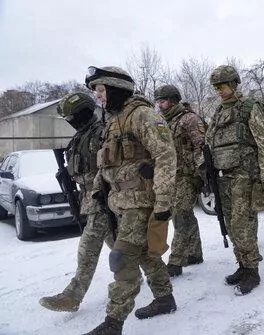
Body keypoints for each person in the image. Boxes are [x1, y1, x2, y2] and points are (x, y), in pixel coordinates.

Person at [83, 66, 177, 335]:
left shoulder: (142, 115)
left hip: (140, 201)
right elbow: (107, 163)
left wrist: (162, 202)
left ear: (114, 88)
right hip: (119, 202)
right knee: (147, 254)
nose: (98, 96)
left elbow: (166, 156)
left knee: (123, 259)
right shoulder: (113, 120)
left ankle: (113, 324)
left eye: (101, 90)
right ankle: (165, 298)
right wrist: (99, 192)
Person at [39, 92, 114, 313]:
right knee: (117, 243)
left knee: (88, 247)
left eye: (72, 117)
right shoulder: (81, 135)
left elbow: (108, 167)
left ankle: (72, 296)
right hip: (89, 198)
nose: (70, 122)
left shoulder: (101, 132)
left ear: (82, 113)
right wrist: (67, 176)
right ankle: (150, 271)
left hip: (102, 198)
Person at [205, 65, 264, 295]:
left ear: (234, 84)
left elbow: (263, 142)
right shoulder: (218, 112)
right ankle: (242, 265)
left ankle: (252, 270)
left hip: (244, 176)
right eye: (217, 87)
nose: (219, 91)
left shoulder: (248, 107)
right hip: (223, 177)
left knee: (243, 225)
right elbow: (210, 141)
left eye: (223, 86)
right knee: (230, 224)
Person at [154, 84, 205, 277]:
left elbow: (201, 146)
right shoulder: (161, 122)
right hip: (171, 177)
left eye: (163, 100)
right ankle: (194, 252)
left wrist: (201, 173)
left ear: (174, 100)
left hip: (188, 175)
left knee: (181, 215)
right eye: (158, 101)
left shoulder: (188, 119)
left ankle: (176, 261)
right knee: (183, 214)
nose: (160, 104)